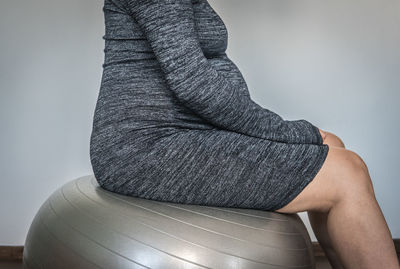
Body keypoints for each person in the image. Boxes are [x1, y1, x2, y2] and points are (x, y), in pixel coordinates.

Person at [89, 0, 400, 268]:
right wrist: (285, 131)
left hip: (185, 130)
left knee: (335, 145)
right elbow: (192, 83)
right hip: (147, 146)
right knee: (348, 173)